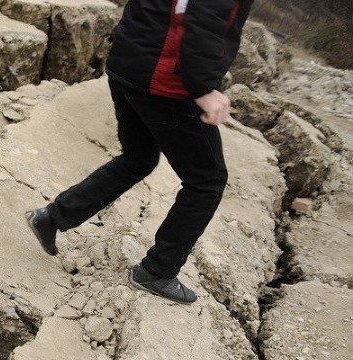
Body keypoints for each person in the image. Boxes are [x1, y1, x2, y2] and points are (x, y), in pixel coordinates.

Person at [26, 0, 254, 303]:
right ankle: (157, 272)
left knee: (138, 158)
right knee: (207, 181)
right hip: (166, 83)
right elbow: (204, 18)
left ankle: (52, 218)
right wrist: (202, 88)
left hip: (129, 62)